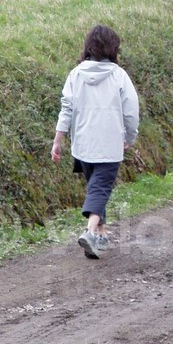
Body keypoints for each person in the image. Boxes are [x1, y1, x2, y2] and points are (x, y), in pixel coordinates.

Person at [51, 25, 139, 259]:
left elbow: (66, 109)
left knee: (95, 188)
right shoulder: (119, 76)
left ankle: (101, 235)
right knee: (100, 189)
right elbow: (131, 112)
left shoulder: (75, 74)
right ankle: (90, 232)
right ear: (113, 48)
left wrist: (58, 140)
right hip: (109, 145)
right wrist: (130, 137)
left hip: (82, 145)